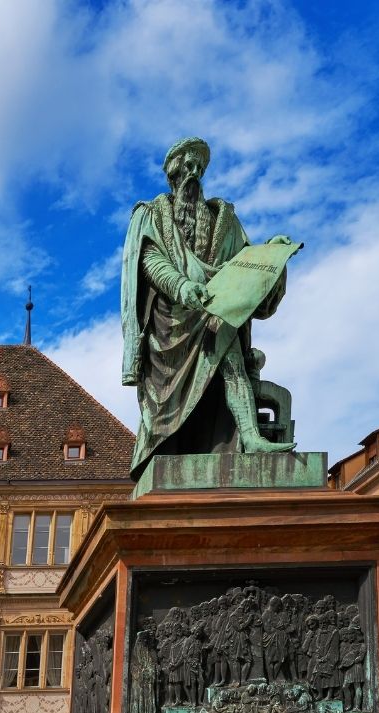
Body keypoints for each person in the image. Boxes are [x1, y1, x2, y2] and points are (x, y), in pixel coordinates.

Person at [121, 137, 295, 479]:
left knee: (232, 363)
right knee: (181, 394)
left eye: (199, 166)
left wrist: (269, 254)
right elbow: (151, 260)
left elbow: (243, 264)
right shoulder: (151, 213)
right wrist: (183, 287)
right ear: (173, 172)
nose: (194, 172)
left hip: (214, 309)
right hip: (170, 321)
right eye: (187, 165)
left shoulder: (222, 217)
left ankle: (251, 437)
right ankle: (168, 448)